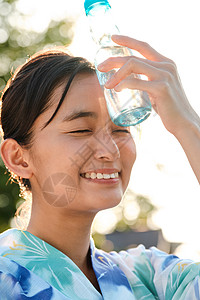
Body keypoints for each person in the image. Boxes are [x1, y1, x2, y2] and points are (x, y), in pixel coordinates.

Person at [0, 34, 199, 299]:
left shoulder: (148, 276)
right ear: (18, 158)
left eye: (121, 129)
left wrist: (188, 125)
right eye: (81, 130)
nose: (110, 150)